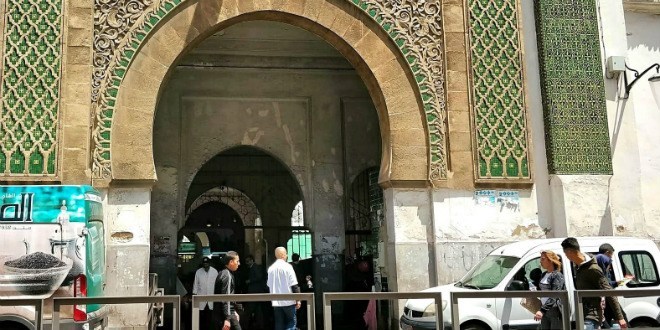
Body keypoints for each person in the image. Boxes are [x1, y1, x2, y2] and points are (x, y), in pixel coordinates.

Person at [561, 237, 627, 329]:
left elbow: (609, 292)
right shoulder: (578, 266)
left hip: (591, 316)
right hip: (583, 314)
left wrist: (620, 318)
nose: (566, 256)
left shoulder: (593, 269)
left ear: (569, 252)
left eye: (565, 253)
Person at [267, 247, 301, 330]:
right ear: (283, 255)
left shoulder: (271, 268)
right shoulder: (288, 267)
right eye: (286, 254)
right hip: (289, 301)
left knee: (279, 323)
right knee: (291, 322)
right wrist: (298, 299)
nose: (287, 256)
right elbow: (294, 285)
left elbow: (269, 285)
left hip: (276, 301)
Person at [533, 251, 565, 330]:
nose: (540, 261)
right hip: (545, 310)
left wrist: (542, 311)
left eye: (543, 259)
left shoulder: (557, 275)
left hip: (554, 311)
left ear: (550, 260)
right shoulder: (544, 274)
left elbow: (554, 295)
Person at [214, 251, 241, 330]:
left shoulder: (224, 273)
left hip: (224, 313)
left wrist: (234, 311)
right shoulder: (227, 275)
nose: (239, 264)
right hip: (225, 314)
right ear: (231, 262)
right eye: (237, 261)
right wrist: (227, 318)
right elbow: (226, 298)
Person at [193, 257, 218, 328]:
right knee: (201, 319)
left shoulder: (215, 271)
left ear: (209, 263)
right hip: (201, 299)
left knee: (211, 318)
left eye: (207, 263)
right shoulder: (198, 272)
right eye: (204, 263)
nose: (205, 264)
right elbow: (195, 285)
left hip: (211, 298)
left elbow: (217, 285)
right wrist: (194, 297)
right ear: (202, 264)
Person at [243, 255, 267, 329]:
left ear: (251, 260)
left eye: (247, 261)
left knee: (249, 311)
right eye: (246, 261)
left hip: (254, 292)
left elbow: (259, 276)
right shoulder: (254, 267)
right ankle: (261, 326)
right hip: (256, 292)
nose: (246, 263)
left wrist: (250, 281)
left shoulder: (255, 267)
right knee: (258, 311)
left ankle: (244, 326)